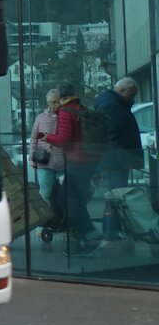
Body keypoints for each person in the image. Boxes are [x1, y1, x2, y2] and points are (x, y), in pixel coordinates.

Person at [43, 82, 100, 252]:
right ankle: (87, 235)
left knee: (65, 198)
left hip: (77, 161)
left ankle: (89, 234)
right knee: (74, 199)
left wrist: (49, 138)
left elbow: (65, 139)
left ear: (61, 97)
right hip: (89, 160)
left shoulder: (66, 112)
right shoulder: (80, 107)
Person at [94, 76, 144, 242]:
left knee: (115, 196)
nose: (132, 99)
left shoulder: (112, 103)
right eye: (131, 95)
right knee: (115, 196)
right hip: (116, 160)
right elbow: (110, 135)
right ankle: (111, 231)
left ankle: (112, 229)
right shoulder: (113, 106)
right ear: (122, 91)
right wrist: (121, 158)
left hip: (116, 159)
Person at [29, 88, 63, 203]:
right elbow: (33, 139)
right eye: (54, 102)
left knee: (63, 196)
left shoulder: (64, 117)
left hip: (62, 163)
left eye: (58, 102)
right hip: (45, 163)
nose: (56, 105)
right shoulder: (40, 118)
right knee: (45, 195)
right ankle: (45, 220)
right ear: (48, 102)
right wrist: (32, 159)